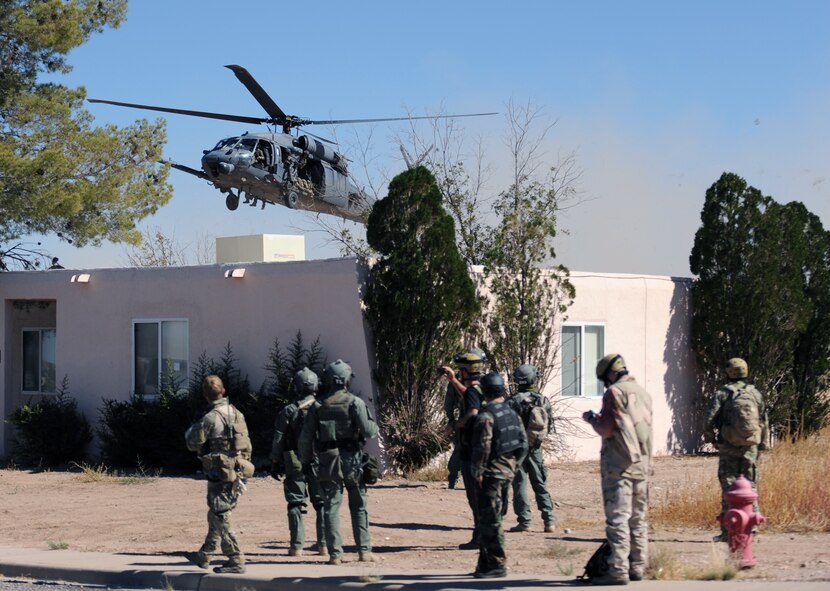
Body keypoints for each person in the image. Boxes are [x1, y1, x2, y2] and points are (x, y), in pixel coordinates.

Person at [298, 359, 379, 565]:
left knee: (331, 505)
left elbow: (306, 438)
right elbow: (370, 431)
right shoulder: (355, 402)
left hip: (328, 458)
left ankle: (335, 554)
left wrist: (305, 461)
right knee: (359, 504)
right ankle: (364, 551)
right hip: (351, 458)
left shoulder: (317, 406)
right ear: (345, 380)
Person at [583, 354, 653, 586]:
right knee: (638, 519)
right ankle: (637, 566)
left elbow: (606, 429)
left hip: (619, 468)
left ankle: (618, 570)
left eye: (605, 379)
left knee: (617, 519)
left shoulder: (614, 393)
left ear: (610, 374)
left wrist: (592, 419)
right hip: (642, 466)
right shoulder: (642, 392)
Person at [184, 375, 254, 574]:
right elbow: (247, 443)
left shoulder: (210, 417)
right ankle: (205, 554)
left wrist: (191, 430)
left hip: (219, 471)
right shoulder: (236, 413)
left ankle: (236, 558)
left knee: (221, 514)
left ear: (206, 395)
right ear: (223, 391)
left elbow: (192, 444)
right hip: (238, 469)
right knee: (216, 511)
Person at [703, 357, 768, 541]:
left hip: (729, 445)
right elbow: (764, 421)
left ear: (728, 372)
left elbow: (708, 419)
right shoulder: (755, 394)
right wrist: (761, 444)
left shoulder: (723, 393)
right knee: (751, 484)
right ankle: (752, 526)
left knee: (728, 487)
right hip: (750, 446)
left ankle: (728, 531)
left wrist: (712, 439)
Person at [470, 371, 528, 578]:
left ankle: (496, 564)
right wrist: (513, 466)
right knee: (493, 517)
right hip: (507, 472)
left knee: (491, 519)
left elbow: (482, 448)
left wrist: (477, 472)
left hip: (492, 474)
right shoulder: (512, 413)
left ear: (484, 391)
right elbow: (523, 444)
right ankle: (485, 563)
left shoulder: (486, 416)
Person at [270, 367, 327, 557]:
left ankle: (297, 546)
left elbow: (279, 438)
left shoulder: (289, 411)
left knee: (295, 503)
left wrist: (275, 461)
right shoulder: (322, 408)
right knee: (322, 503)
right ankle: (324, 545)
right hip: (319, 461)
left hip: (294, 461)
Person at [439, 349, 487, 549]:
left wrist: (457, 424)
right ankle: (484, 534)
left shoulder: (474, 393)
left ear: (466, 371)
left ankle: (481, 537)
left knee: (475, 497)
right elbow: (468, 395)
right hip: (482, 450)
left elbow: (472, 410)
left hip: (473, 451)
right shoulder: (483, 388)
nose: (459, 373)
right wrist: (451, 379)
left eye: (460, 370)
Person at [506, 364, 556, 533]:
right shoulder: (542, 400)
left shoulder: (512, 401)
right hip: (535, 448)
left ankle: (524, 521)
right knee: (540, 483)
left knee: (519, 485)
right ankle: (549, 521)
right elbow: (549, 426)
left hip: (516, 450)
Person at [443, 348, 488, 490]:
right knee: (461, 450)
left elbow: (470, 397)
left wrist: (454, 423)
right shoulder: (463, 378)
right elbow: (452, 400)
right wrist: (452, 418)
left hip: (475, 421)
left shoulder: (483, 380)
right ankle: (454, 478)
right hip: (468, 420)